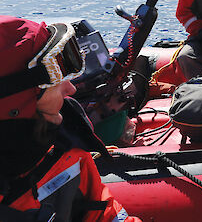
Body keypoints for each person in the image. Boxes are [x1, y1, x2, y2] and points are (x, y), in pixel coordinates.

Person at [0, 16, 140, 221]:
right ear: (16, 102)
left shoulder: (67, 152)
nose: (71, 89)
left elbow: (106, 215)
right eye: (55, 82)